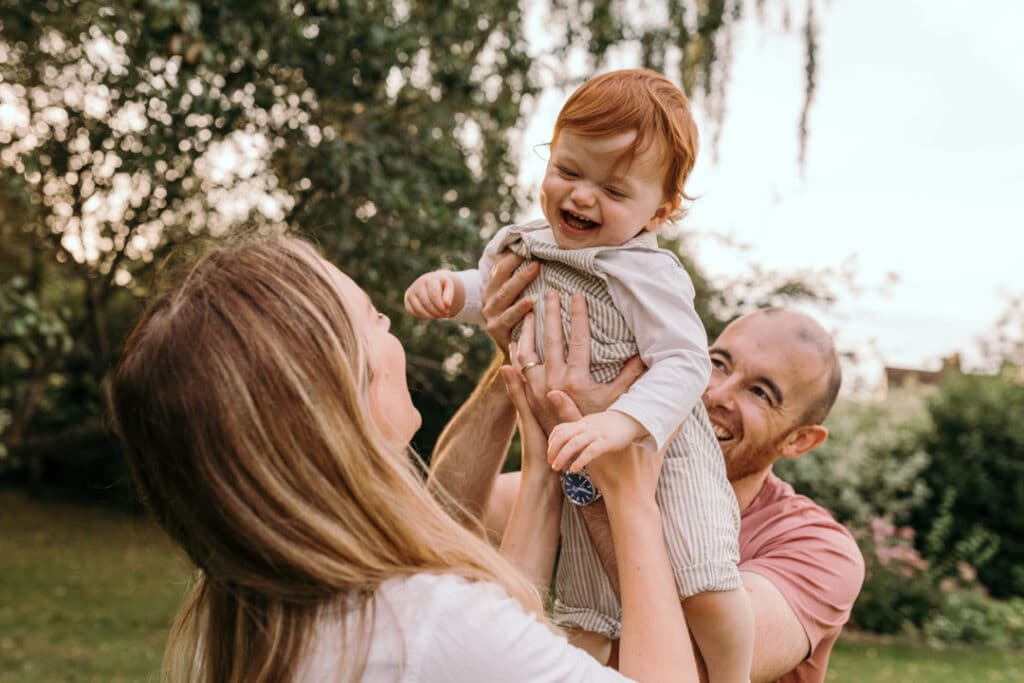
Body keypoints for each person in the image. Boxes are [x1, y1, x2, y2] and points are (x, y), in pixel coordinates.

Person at [107, 235, 702, 682]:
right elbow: (474, 631)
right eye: (373, 318)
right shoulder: (422, 624)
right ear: (339, 394)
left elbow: (505, 617)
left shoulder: (236, 612)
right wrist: (629, 498)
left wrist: (545, 459)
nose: (393, 325)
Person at [406, 69, 752, 682]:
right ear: (551, 154)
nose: (582, 198)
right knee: (584, 605)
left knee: (703, 580)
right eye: (569, 171)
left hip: (661, 451)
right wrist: (448, 290)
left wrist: (622, 422)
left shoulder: (648, 274)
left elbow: (685, 362)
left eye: (615, 192)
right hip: (571, 450)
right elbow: (491, 293)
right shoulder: (527, 244)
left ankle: (729, 674)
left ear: (660, 212)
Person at [428, 252, 865, 683]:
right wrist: (519, 354)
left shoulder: (817, 549)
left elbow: (697, 668)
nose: (716, 394)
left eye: (760, 393)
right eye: (717, 363)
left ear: (799, 440)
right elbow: (446, 523)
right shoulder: (605, 443)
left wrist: (606, 489)